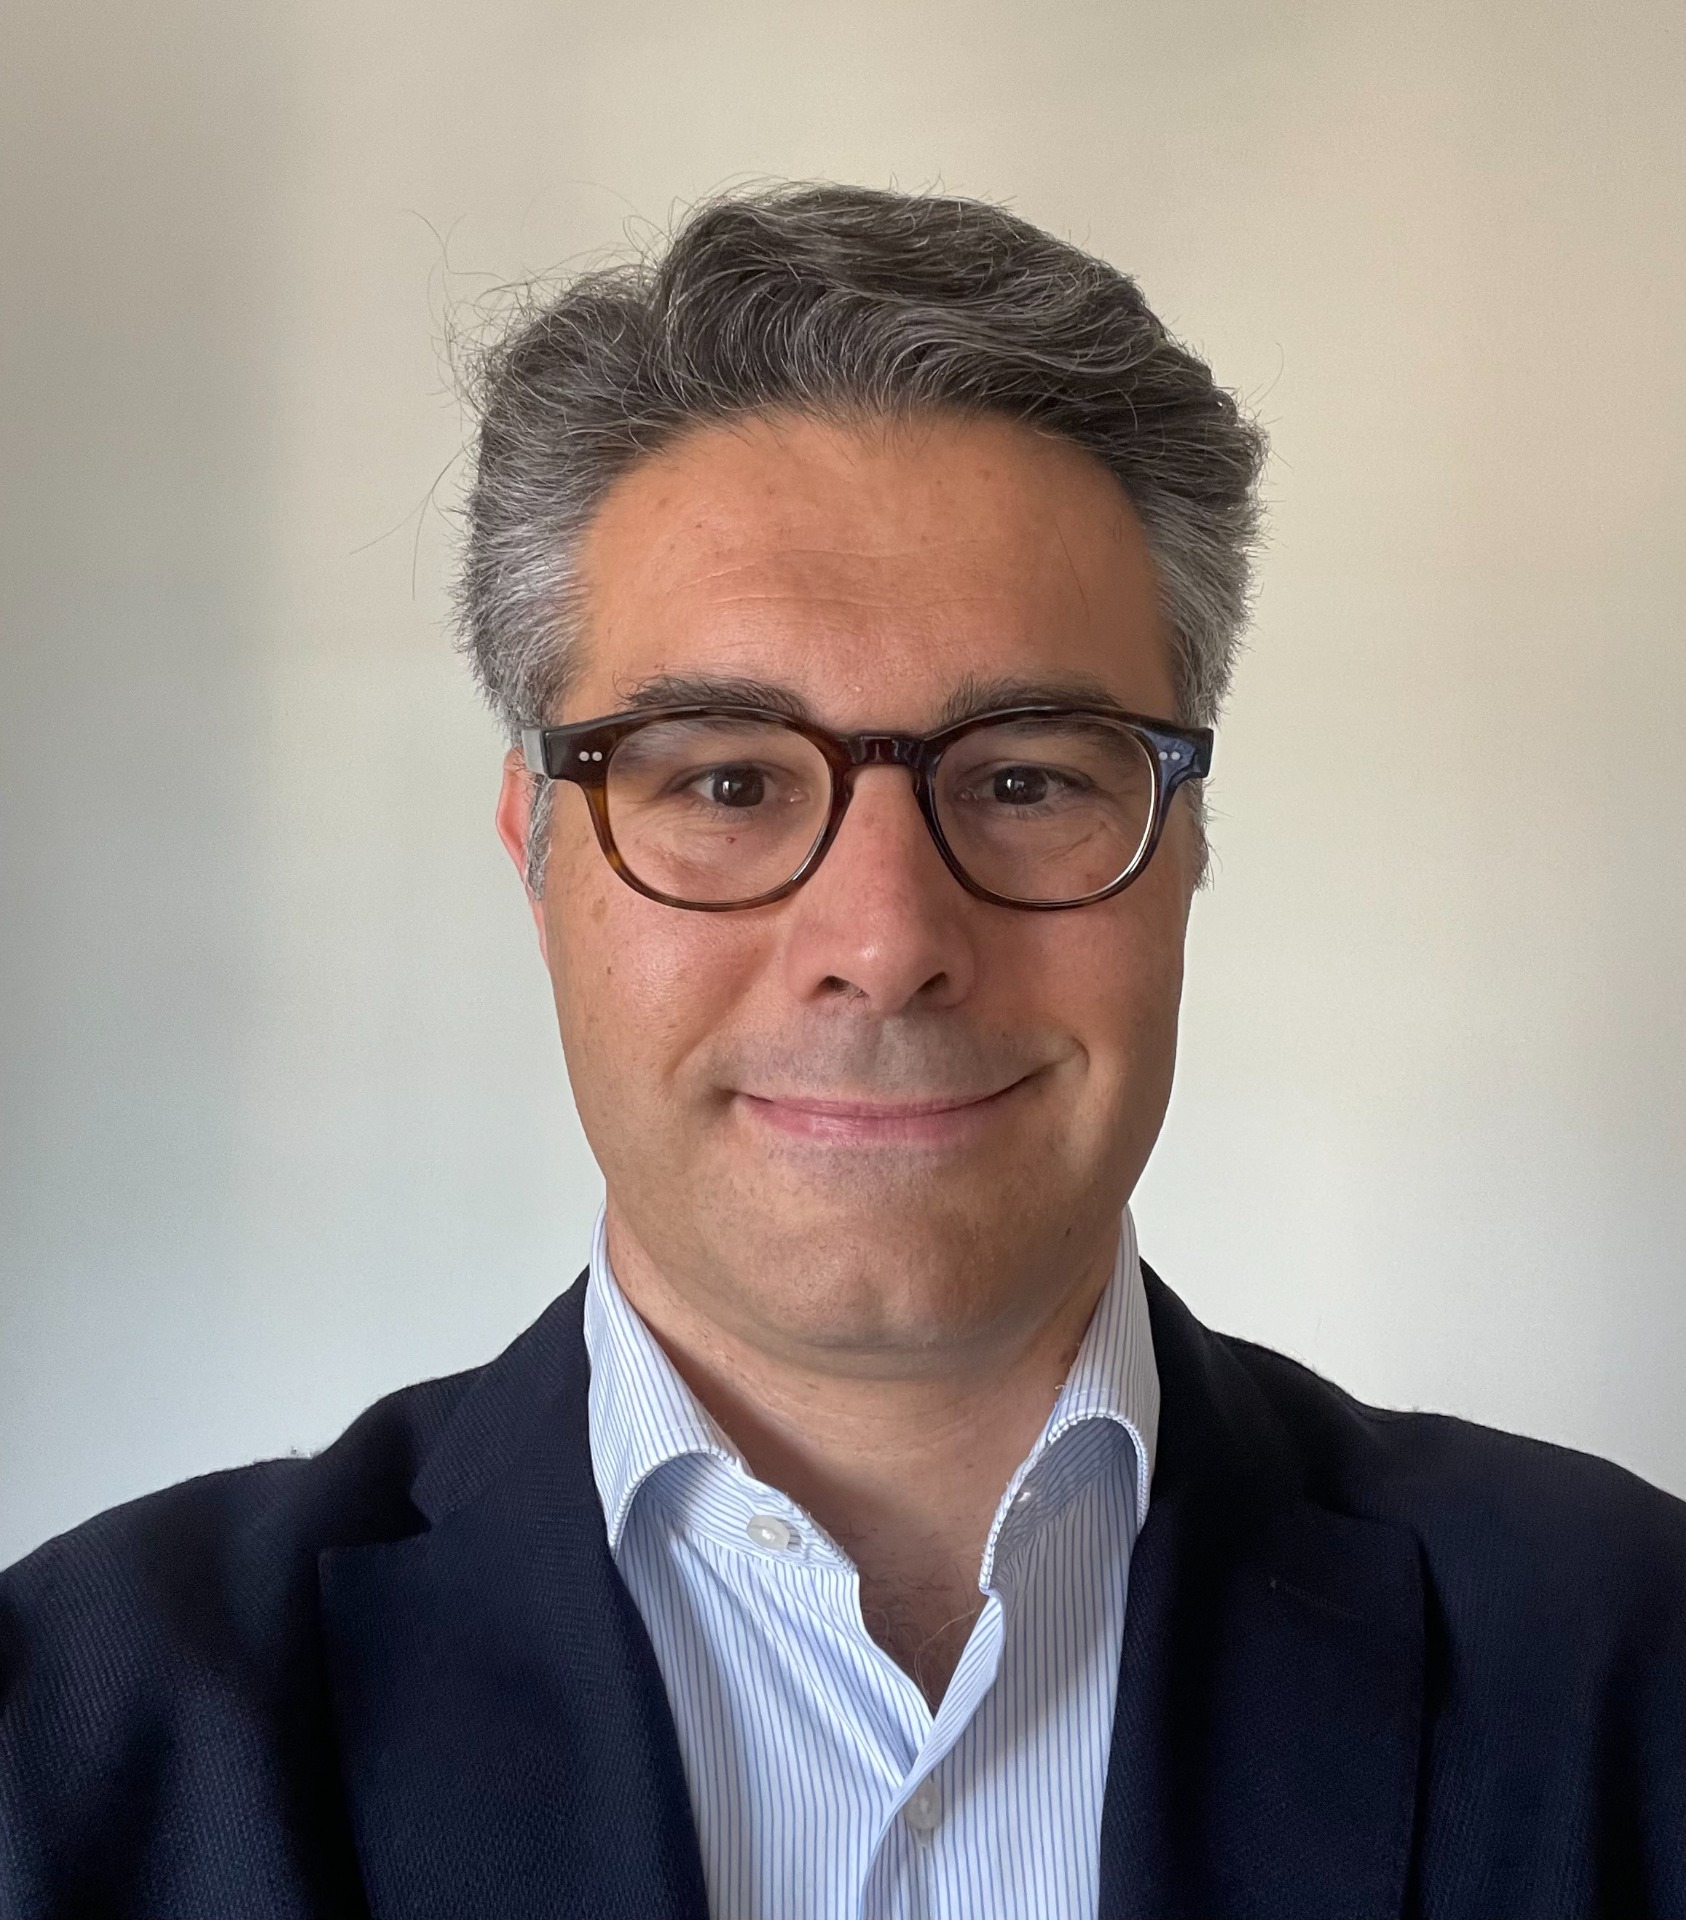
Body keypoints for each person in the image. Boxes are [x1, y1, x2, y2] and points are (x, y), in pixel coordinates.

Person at [2, 183, 1682, 1920]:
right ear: (534, 852)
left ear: (1182, 847)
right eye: (727, 781)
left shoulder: (1627, 1664)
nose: (883, 942)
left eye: (1024, 778)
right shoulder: (77, 1735)